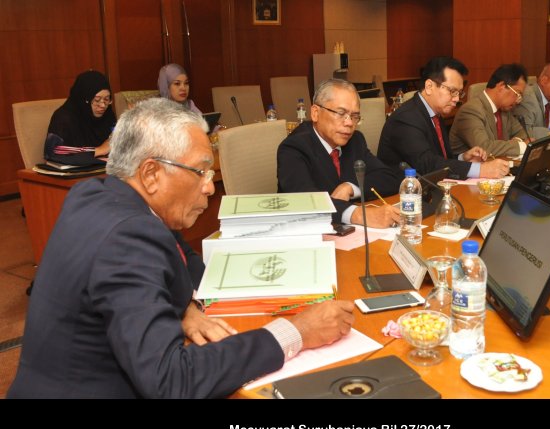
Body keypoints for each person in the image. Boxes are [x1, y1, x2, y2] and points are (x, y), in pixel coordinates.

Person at [8, 98, 354, 398]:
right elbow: (172, 381)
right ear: (151, 174)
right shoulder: (128, 238)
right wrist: (296, 332)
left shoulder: (96, 195)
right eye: (201, 171)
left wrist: (184, 305)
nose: (209, 187)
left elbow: (174, 253)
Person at [277, 79, 401, 228]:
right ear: (315, 113)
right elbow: (307, 201)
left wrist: (350, 187)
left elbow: (388, 178)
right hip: (306, 232)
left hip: (345, 231)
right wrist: (359, 215)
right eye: (341, 113)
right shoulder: (294, 147)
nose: (349, 123)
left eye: (354, 116)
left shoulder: (355, 140)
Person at [378, 56, 509, 180]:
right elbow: (427, 165)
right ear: (429, 87)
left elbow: (440, 160)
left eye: (459, 93)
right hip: (400, 192)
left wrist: (463, 158)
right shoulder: (406, 118)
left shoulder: (435, 113)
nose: (457, 99)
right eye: (452, 91)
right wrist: (481, 169)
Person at [450, 63, 530, 158]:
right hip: (467, 166)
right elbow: (484, 147)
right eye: (517, 94)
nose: (517, 100)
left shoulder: (504, 109)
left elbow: (522, 133)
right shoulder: (471, 110)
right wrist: (521, 146)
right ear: (502, 86)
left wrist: (517, 141)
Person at [44, 70, 116, 166]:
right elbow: (53, 151)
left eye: (107, 99)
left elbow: (117, 138)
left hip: (105, 170)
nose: (103, 105)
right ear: (83, 98)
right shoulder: (63, 118)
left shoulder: (108, 115)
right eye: (97, 100)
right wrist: (98, 150)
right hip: (74, 173)